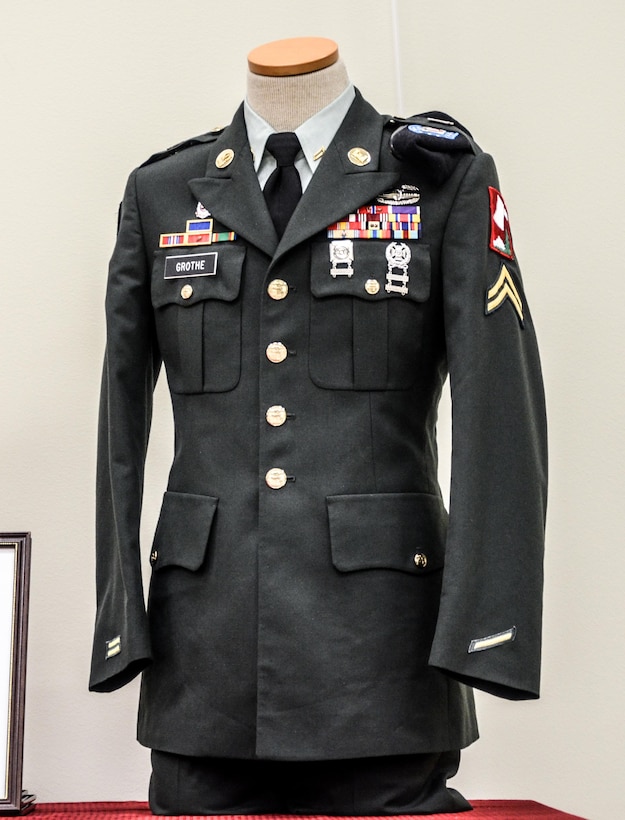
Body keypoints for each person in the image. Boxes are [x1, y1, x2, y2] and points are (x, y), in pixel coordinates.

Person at [91, 36, 547, 814]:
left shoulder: (439, 180)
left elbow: (499, 410)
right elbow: (118, 422)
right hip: (205, 658)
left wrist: (488, 631)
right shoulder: (163, 190)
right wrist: (118, 621)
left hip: (381, 661)